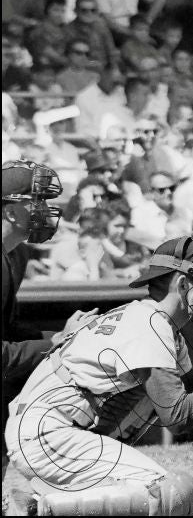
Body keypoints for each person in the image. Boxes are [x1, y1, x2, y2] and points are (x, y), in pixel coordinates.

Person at [4, 236, 193, 516]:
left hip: (49, 431)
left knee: (161, 488)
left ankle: (47, 503)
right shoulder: (149, 324)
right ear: (183, 284)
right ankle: (36, 510)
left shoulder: (154, 321)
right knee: (170, 493)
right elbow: (179, 416)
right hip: (50, 434)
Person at [2, 161, 99, 481]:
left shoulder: (15, 254)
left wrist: (63, 336)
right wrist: (52, 344)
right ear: (10, 211)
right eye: (35, 201)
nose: (44, 209)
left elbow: (8, 330)